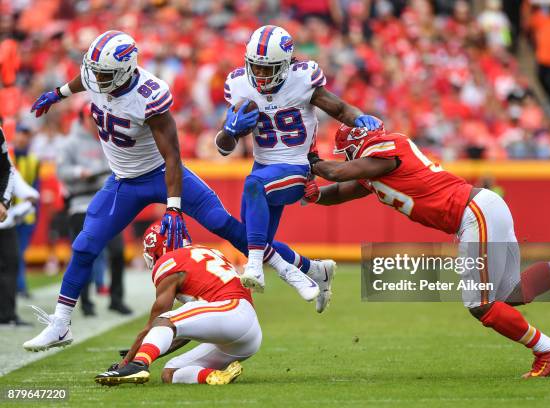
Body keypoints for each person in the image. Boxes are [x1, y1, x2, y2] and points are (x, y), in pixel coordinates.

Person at [24, 30, 333, 353]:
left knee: (227, 227)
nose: (96, 79)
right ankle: (60, 324)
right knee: (85, 244)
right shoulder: (96, 76)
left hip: (162, 174)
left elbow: (172, 156)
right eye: (95, 71)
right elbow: (84, 80)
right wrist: (58, 93)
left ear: (125, 71)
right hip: (123, 181)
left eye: (104, 74)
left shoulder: (148, 94)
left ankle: (299, 270)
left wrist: (173, 207)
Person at [304, 124, 550, 378]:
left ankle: (547, 349)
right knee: (512, 294)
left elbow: (337, 173)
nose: (347, 160)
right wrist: (314, 196)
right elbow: (339, 189)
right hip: (482, 209)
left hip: (473, 213)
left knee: (479, 304)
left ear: (358, 147)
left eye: (348, 154)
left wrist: (308, 159)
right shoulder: (374, 171)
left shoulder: (387, 153)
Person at [216, 25, 380, 300]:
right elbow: (223, 149)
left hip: (297, 167)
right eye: (255, 67)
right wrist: (229, 131)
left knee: (254, 189)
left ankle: (255, 267)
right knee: (251, 240)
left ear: (286, 63)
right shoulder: (238, 84)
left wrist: (360, 117)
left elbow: (339, 109)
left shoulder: (302, 79)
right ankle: (315, 270)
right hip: (264, 167)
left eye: (268, 69)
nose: (260, 74)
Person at [94, 223, 260, 386]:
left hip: (230, 310)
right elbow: (185, 330)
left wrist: (127, 363)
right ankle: (216, 376)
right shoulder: (205, 251)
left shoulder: (169, 263)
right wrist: (145, 349)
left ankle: (137, 366)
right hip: (247, 334)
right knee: (171, 372)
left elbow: (157, 323)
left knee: (164, 320)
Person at [56, 104, 131, 316]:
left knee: (117, 253)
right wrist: (80, 172)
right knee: (85, 254)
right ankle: (86, 302)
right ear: (82, 119)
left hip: (108, 203)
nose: (95, 120)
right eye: (92, 118)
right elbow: (61, 171)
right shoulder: (69, 143)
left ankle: (116, 299)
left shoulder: (108, 139)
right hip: (81, 203)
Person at [0, 126, 39, 326]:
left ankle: (7, 315)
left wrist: (7, 206)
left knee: (12, 264)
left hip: (5, 222)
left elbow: (9, 171)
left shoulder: (1, 139)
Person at [12, 124, 40, 299]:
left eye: (26, 135)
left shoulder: (34, 160)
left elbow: (36, 187)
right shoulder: (7, 156)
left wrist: (35, 213)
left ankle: (19, 287)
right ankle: (18, 287)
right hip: (7, 214)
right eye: (21, 134)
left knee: (18, 252)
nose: (23, 138)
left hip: (25, 214)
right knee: (14, 253)